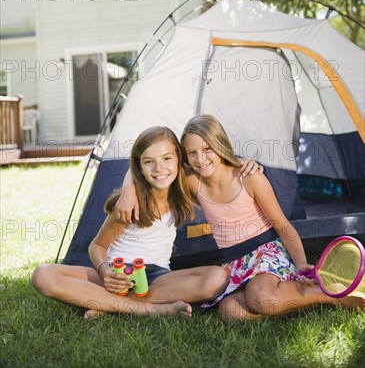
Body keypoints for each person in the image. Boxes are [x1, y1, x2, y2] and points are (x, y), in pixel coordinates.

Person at [116, 115, 365, 320]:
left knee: (261, 297)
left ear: (220, 144)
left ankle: (335, 295)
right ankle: (289, 298)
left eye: (207, 149)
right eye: (191, 153)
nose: (200, 159)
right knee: (230, 313)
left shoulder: (249, 177)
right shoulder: (192, 181)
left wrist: (300, 263)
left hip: (265, 251)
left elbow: (282, 224)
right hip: (234, 262)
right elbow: (153, 163)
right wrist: (129, 189)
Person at [32, 126, 230, 319]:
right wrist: (106, 271)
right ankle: (148, 309)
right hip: (118, 275)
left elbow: (217, 172)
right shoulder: (130, 204)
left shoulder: (182, 189)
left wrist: (246, 165)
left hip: (157, 278)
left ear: (179, 159)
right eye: (149, 162)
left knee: (217, 278)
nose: (159, 168)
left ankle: (106, 303)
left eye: (167, 159)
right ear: (140, 168)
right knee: (43, 274)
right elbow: (97, 245)